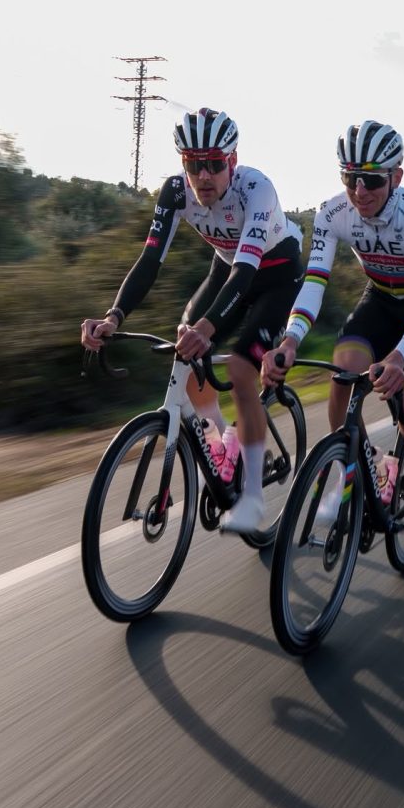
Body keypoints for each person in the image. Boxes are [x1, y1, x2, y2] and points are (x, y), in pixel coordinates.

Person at [81, 107, 304, 533]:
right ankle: (222, 441)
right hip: (227, 268)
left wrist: (209, 328)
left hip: (274, 274)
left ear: (232, 162)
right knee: (186, 342)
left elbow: (247, 271)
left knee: (239, 367)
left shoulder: (257, 189)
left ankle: (254, 497)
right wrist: (114, 315)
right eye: (194, 165)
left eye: (215, 165)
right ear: (183, 163)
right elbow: (150, 261)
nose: (204, 176)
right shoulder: (175, 192)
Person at [261, 119, 404, 546]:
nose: (360, 191)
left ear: (397, 177)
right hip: (382, 295)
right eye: (350, 178)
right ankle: (355, 470)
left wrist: (398, 357)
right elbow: (313, 283)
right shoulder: (332, 212)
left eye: (371, 179)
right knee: (343, 374)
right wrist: (291, 338)